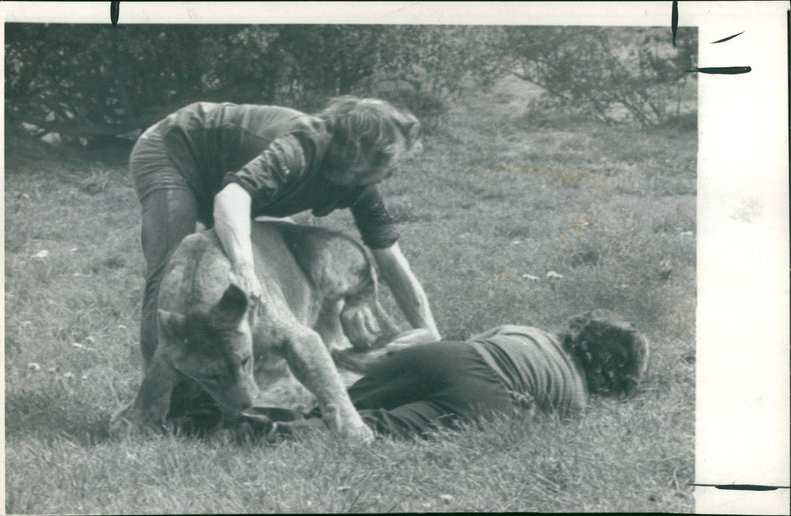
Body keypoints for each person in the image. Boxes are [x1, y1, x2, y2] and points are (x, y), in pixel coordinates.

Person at [130, 97, 441, 367]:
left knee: (286, 275)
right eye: (389, 165)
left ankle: (250, 372)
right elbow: (232, 197)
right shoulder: (300, 148)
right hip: (176, 150)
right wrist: (245, 269)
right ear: (359, 158)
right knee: (172, 270)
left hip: (231, 180)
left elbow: (390, 258)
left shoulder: (362, 183)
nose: (390, 175)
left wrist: (431, 336)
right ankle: (160, 397)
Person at [237, 309, 649, 441]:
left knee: (352, 404)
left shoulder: (530, 331)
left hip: (448, 353)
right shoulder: (575, 394)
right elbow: (538, 424)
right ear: (610, 376)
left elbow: (477, 340)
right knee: (382, 430)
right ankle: (282, 435)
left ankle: (275, 416)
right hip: (487, 390)